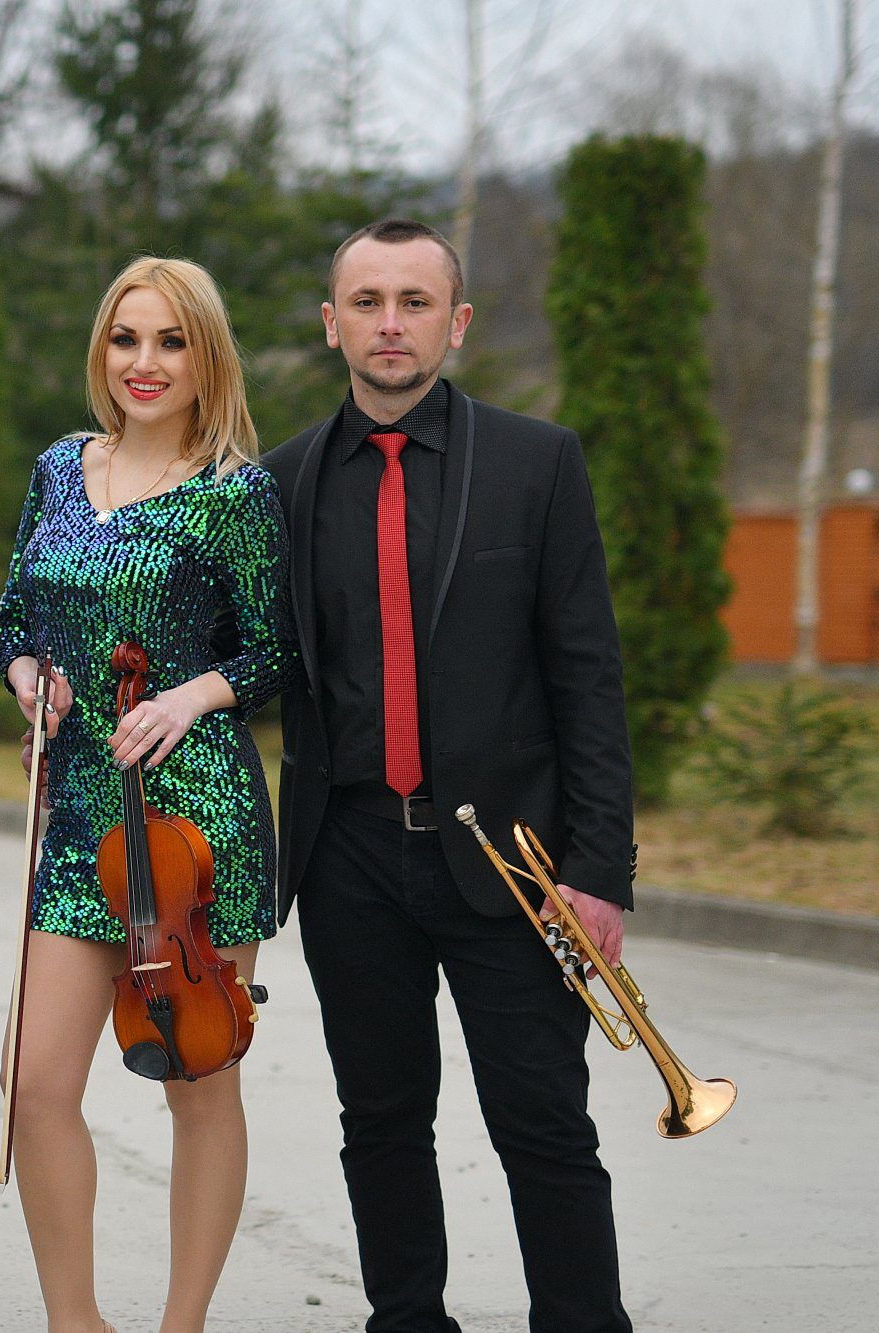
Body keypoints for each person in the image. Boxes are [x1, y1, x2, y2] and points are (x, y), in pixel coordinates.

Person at [260, 218, 635, 1333]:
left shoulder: (537, 462)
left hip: (514, 860)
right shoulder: (278, 483)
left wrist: (599, 868)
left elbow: (587, 675)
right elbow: (243, 659)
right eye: (366, 301)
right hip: (348, 854)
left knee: (543, 1122)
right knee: (378, 1121)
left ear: (455, 322)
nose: (391, 323)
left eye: (414, 302)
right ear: (330, 324)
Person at [0, 256, 298, 1333]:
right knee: (34, 1085)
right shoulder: (58, 467)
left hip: (195, 820)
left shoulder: (234, 491)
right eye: (126, 338)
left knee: (197, 1077)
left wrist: (190, 696)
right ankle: (75, 1322)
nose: (145, 361)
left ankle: (182, 1324)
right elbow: (13, 623)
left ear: (206, 356)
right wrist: (30, 682)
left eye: (171, 340)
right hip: (83, 806)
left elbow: (275, 648)